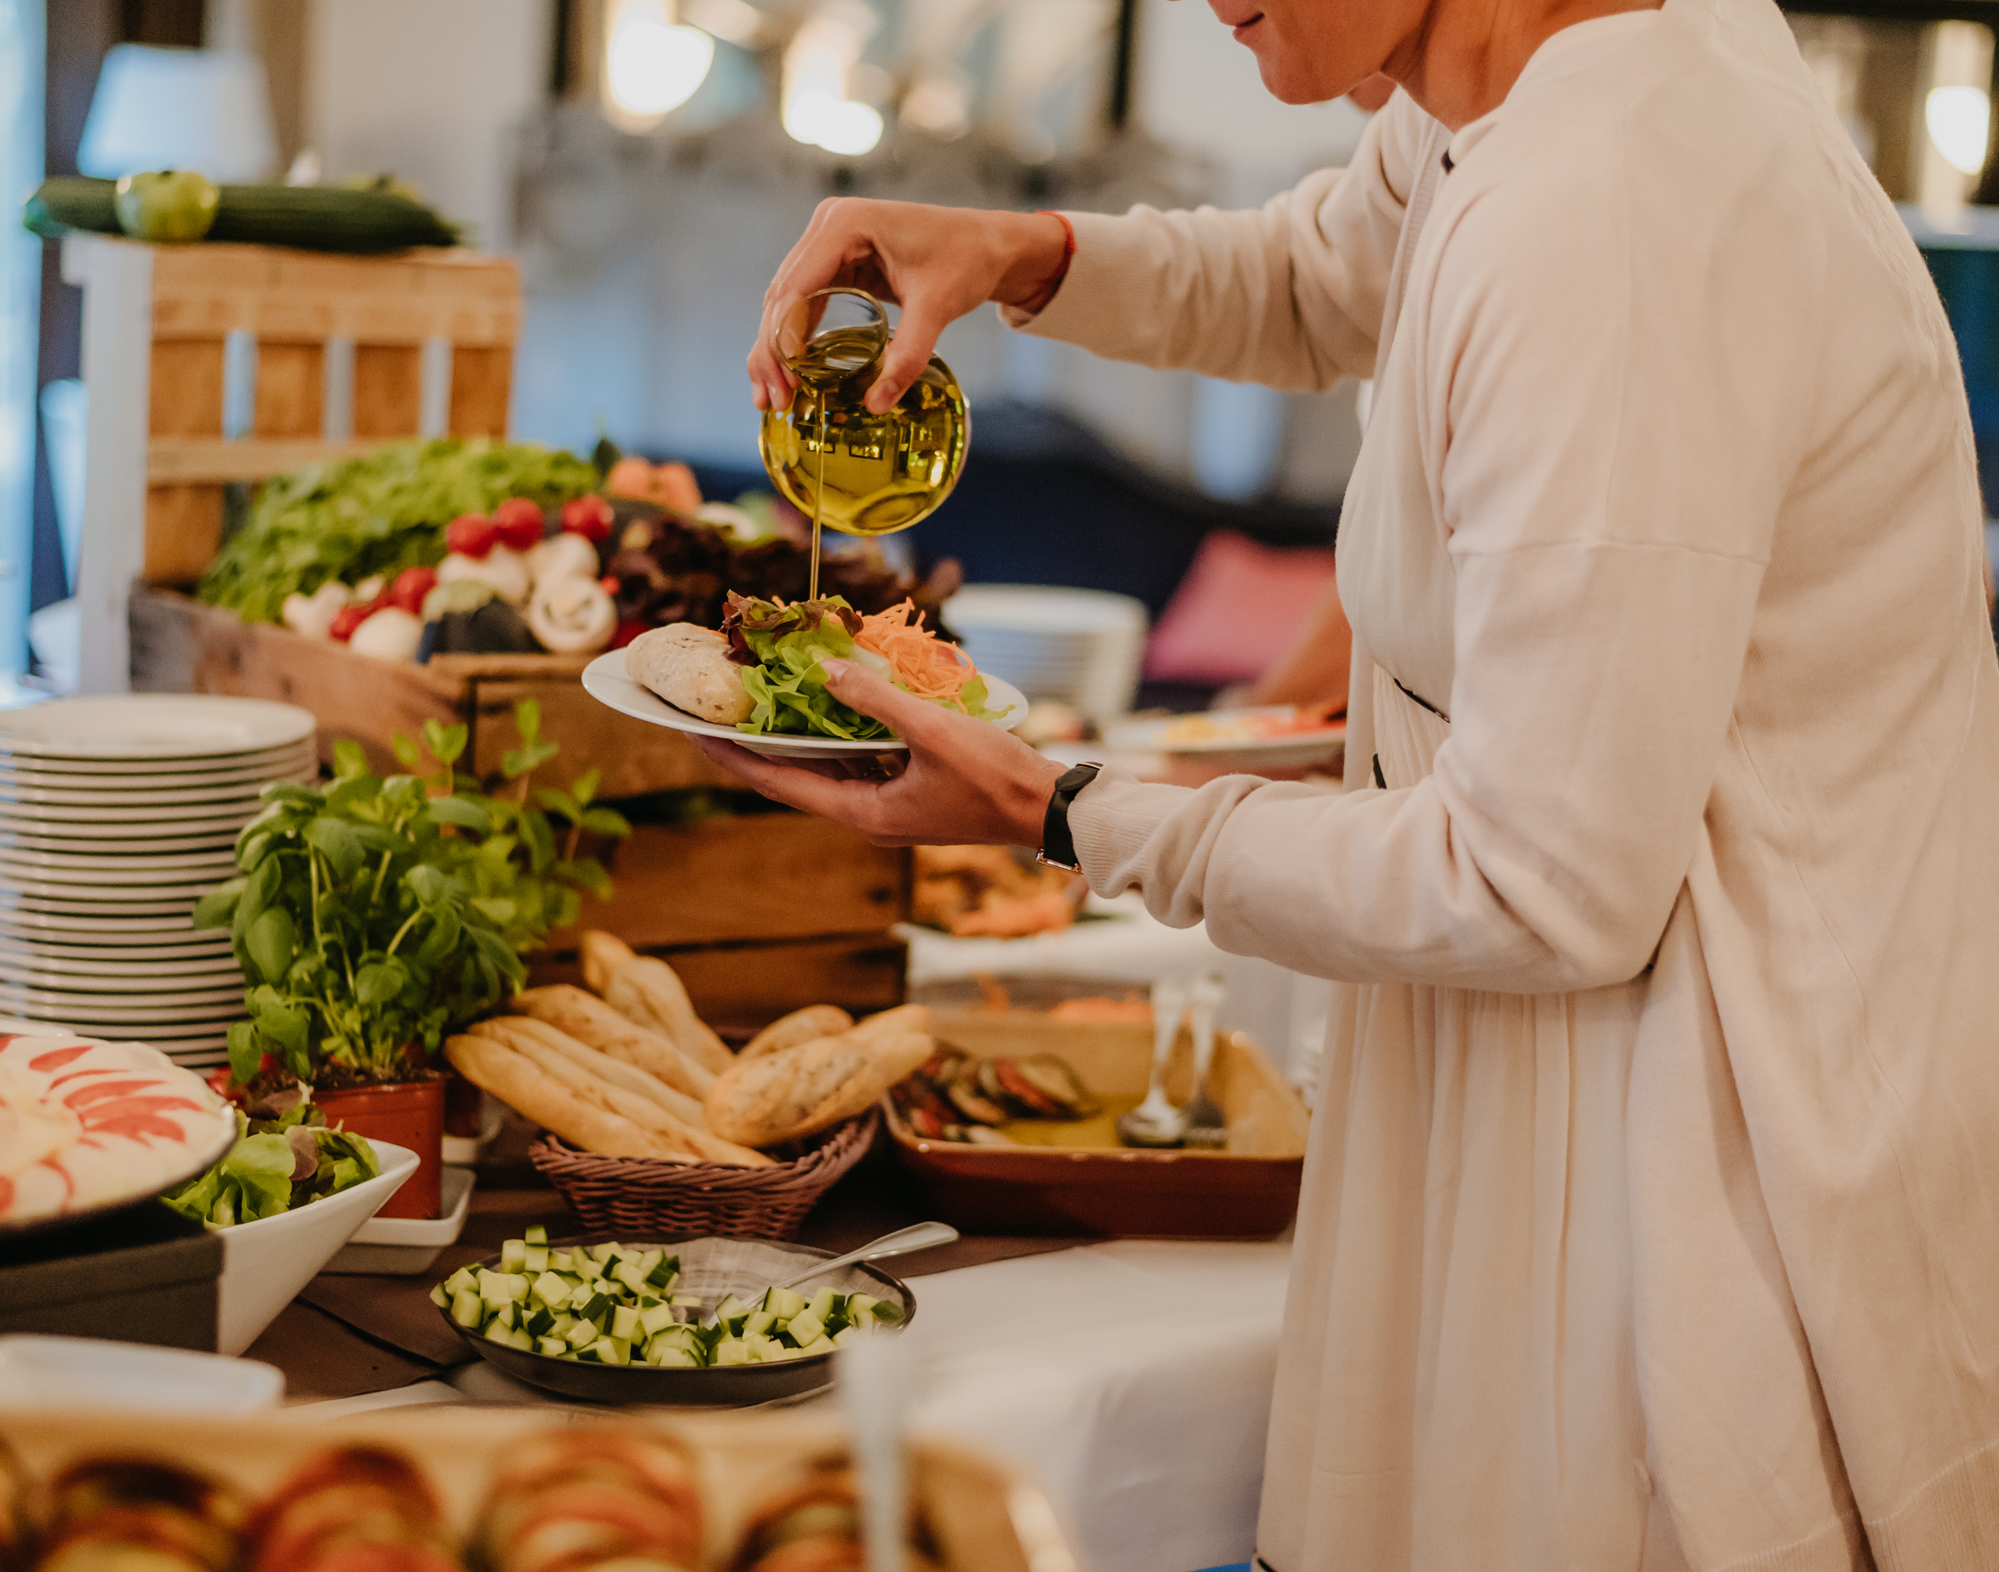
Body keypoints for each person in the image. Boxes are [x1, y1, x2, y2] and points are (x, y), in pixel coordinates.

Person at [712, 0, 1999, 1568]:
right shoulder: (1515, 87)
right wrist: (1017, 251)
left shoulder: (1605, 218)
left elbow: (1543, 885)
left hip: (1689, 1140)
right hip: (1580, 1058)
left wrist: (1057, 808)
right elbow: (1317, 282)